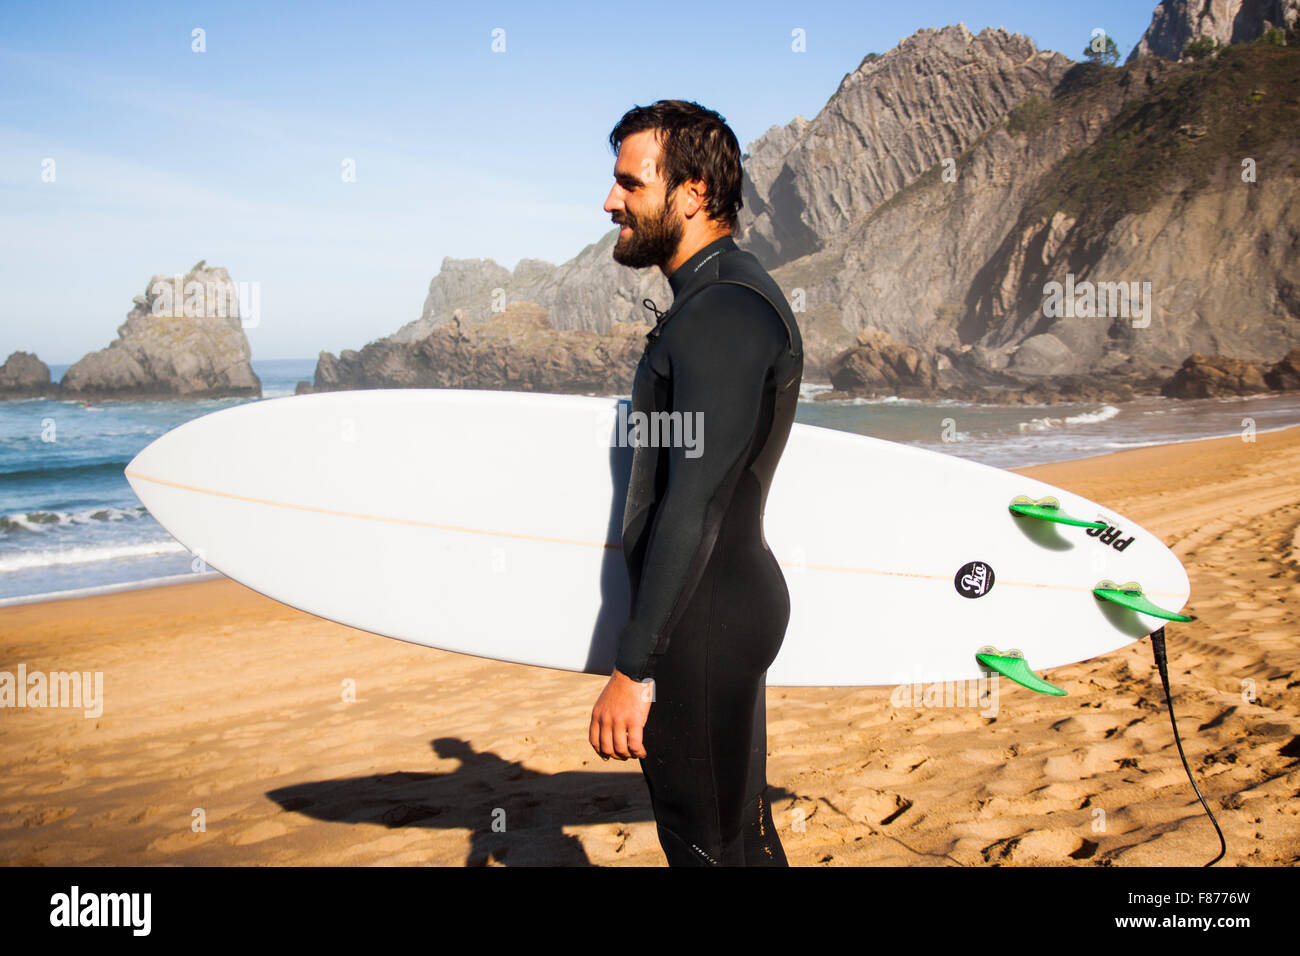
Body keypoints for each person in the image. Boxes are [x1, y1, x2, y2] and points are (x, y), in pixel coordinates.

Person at [588, 100, 803, 866]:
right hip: (714, 609)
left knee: (705, 847)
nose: (610, 200)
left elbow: (696, 499)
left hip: (702, 621)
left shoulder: (721, 313)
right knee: (738, 838)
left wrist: (634, 665)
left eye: (629, 183)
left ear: (691, 194)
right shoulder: (718, 301)